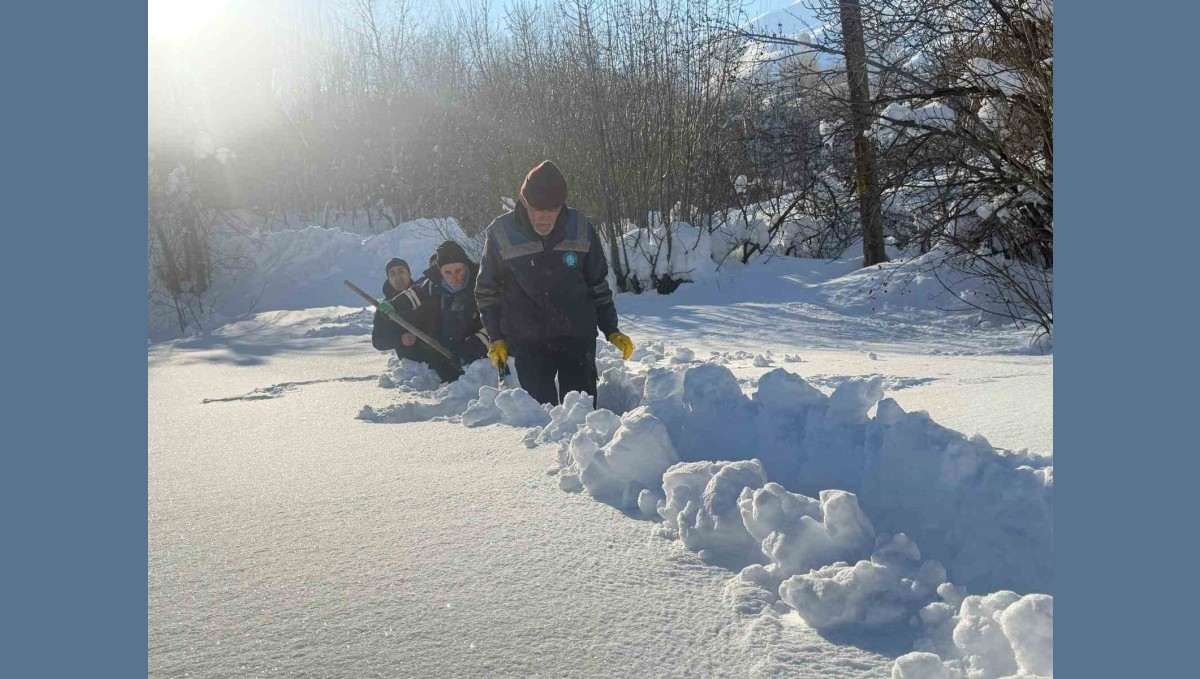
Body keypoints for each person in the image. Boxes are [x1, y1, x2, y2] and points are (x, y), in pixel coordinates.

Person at [475, 160, 633, 405]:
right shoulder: (501, 232)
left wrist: (611, 328)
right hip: (527, 340)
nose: (545, 217)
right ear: (524, 202)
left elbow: (597, 284)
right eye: (538, 209)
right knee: (540, 417)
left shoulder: (579, 227)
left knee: (581, 414)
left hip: (576, 336)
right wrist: (495, 336)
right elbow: (487, 290)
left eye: (553, 209)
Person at [378, 241, 490, 382]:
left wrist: (473, 347)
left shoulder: (483, 282)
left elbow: (497, 322)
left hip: (483, 346)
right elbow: (413, 295)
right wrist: (393, 305)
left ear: (466, 266)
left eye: (459, 271)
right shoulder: (433, 284)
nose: (454, 277)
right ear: (440, 271)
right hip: (449, 344)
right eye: (447, 272)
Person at [370, 258, 426, 363]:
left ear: (409, 274)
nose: (398, 277)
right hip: (411, 368)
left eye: (401, 271)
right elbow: (378, 341)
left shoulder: (423, 294)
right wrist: (400, 340)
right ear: (389, 281)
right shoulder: (385, 308)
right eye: (392, 274)